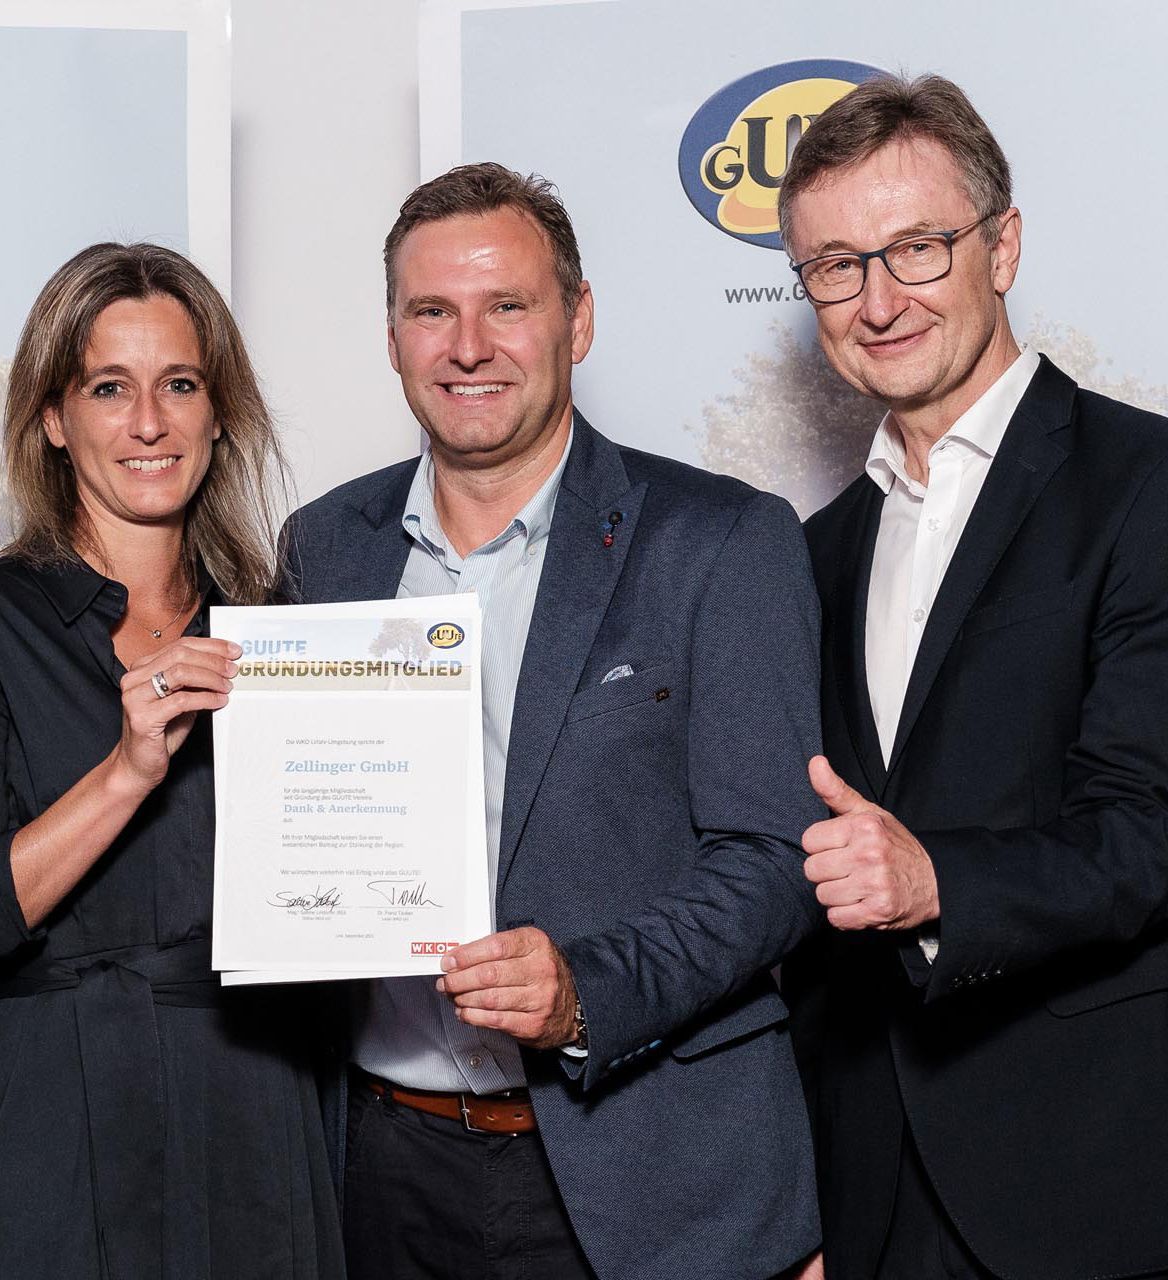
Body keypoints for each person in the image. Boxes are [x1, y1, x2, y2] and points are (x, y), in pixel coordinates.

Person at [281, 162, 826, 1280]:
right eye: (431, 310)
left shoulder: (720, 542)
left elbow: (774, 858)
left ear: (576, 320)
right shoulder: (323, 546)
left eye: (507, 305)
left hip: (644, 1169)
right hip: (383, 1164)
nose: (466, 344)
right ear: (392, 337)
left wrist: (585, 989)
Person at [780, 73, 1168, 1280]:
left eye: (915, 249)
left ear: (1000, 246)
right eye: (834, 265)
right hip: (871, 1193)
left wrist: (936, 879)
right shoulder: (811, 553)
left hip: (1098, 1180)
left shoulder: (1161, 485)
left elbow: (1144, 832)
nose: (877, 300)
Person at [0, 242, 344, 1280]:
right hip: (60, 1108)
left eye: (178, 384)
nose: (148, 422)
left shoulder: (281, 632)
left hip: (263, 1096)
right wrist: (127, 767)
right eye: (109, 387)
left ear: (217, 409)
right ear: (54, 418)